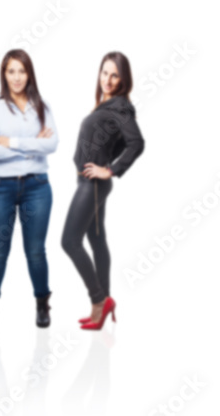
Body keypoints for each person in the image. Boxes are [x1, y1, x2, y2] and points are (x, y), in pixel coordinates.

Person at [63, 51, 144, 330]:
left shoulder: (120, 107)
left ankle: (99, 300)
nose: (107, 80)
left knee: (69, 242)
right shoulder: (107, 105)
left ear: (123, 79)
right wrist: (108, 158)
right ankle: (103, 306)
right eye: (104, 73)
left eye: (114, 75)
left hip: (94, 184)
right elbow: (121, 141)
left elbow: (136, 143)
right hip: (89, 182)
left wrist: (109, 169)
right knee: (96, 240)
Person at [0, 49, 58, 328]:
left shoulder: (42, 106)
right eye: (11, 71)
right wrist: (31, 144)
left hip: (37, 186)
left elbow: (52, 145)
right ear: (4, 74)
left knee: (36, 250)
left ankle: (42, 304)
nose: (16, 77)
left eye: (21, 71)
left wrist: (10, 142)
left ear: (29, 74)